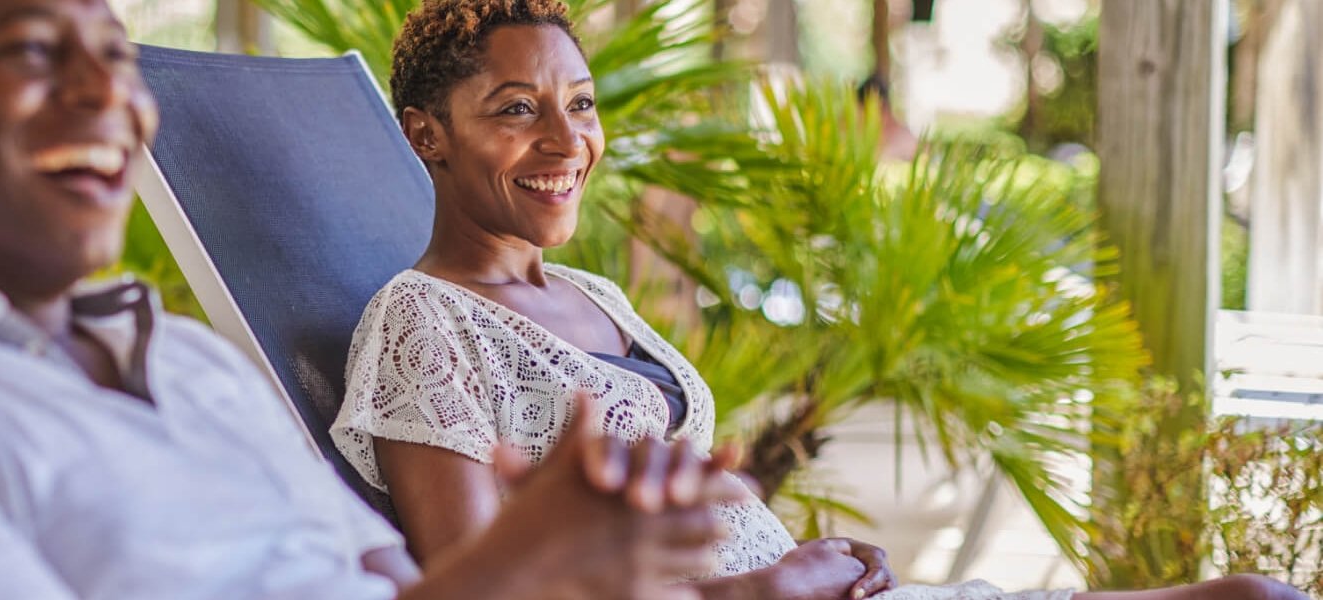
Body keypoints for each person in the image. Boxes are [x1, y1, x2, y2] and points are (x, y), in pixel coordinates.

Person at [0, 0, 751, 597]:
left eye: (118, 59)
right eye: (35, 54)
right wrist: (530, 563)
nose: (109, 96)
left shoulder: (183, 363)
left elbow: (401, 588)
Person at [331, 1, 1307, 599]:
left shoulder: (590, 292)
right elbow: (471, 591)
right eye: (516, 110)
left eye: (579, 103)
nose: (566, 140)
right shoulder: (425, 322)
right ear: (427, 134)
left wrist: (806, 552)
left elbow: (690, 508)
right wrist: (756, 589)